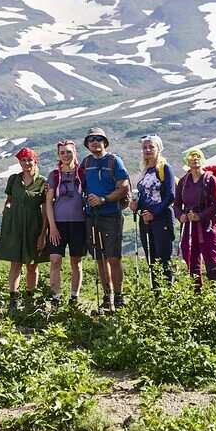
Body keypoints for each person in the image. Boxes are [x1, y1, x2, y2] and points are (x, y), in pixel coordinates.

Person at [79, 126, 130, 311]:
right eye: (91, 139)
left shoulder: (114, 161)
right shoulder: (85, 163)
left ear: (105, 142)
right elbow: (80, 186)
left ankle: (119, 297)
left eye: (98, 139)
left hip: (111, 215)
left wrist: (103, 199)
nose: (95, 142)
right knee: (100, 259)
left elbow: (123, 187)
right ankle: (108, 298)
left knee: (113, 258)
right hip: (92, 216)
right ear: (87, 144)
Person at [0, 147, 49, 307]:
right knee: (16, 263)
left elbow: (46, 210)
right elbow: (9, 199)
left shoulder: (43, 182)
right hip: (15, 225)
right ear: (19, 162)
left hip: (34, 226)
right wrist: (7, 209)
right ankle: (14, 299)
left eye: (29, 160)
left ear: (35, 161)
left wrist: (43, 234)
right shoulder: (14, 179)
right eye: (23, 160)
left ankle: (30, 299)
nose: (26, 163)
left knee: (32, 265)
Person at [45, 139, 88, 309]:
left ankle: (74, 297)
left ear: (75, 153)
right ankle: (55, 297)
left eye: (69, 152)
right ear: (58, 155)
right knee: (55, 260)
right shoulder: (54, 175)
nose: (65, 155)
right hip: (58, 224)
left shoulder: (82, 173)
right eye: (62, 152)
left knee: (76, 261)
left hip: (79, 223)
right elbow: (48, 202)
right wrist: (52, 227)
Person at [174, 146, 216, 290]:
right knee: (190, 260)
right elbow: (176, 204)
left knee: (211, 261)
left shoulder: (211, 180)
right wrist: (181, 216)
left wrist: (200, 216)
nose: (195, 159)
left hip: (207, 226)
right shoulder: (183, 182)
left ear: (203, 160)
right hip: (189, 226)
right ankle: (196, 295)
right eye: (191, 157)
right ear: (187, 162)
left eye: (198, 157)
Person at [131, 134, 177, 289]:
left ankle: (168, 294)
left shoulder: (165, 168)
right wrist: (136, 205)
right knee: (151, 259)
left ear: (159, 149)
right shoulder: (145, 170)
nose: (148, 150)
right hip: (146, 220)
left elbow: (170, 195)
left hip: (161, 219)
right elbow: (144, 196)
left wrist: (154, 213)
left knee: (163, 259)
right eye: (145, 147)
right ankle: (157, 294)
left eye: (151, 147)